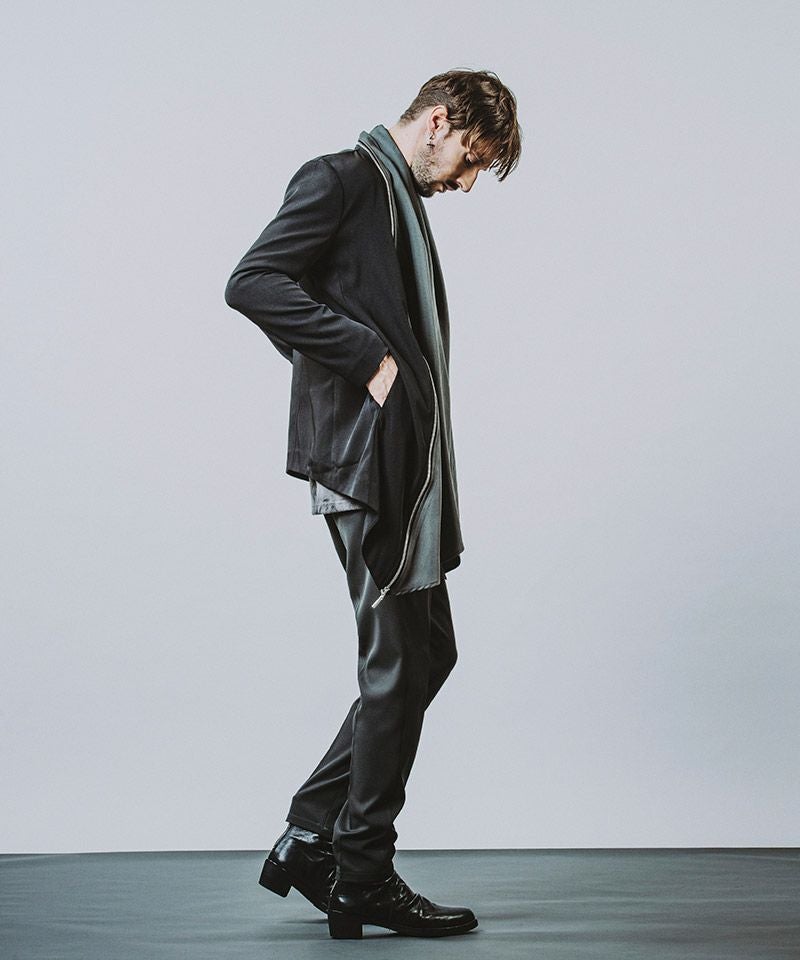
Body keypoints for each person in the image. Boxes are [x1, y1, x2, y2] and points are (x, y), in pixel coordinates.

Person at [224, 68, 522, 939]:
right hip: (368, 468)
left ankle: (311, 835)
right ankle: (362, 875)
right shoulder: (344, 179)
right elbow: (254, 281)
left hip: (400, 470)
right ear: (438, 122)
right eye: (471, 157)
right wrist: (366, 360)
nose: (468, 181)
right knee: (395, 666)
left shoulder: (396, 197)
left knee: (426, 653)